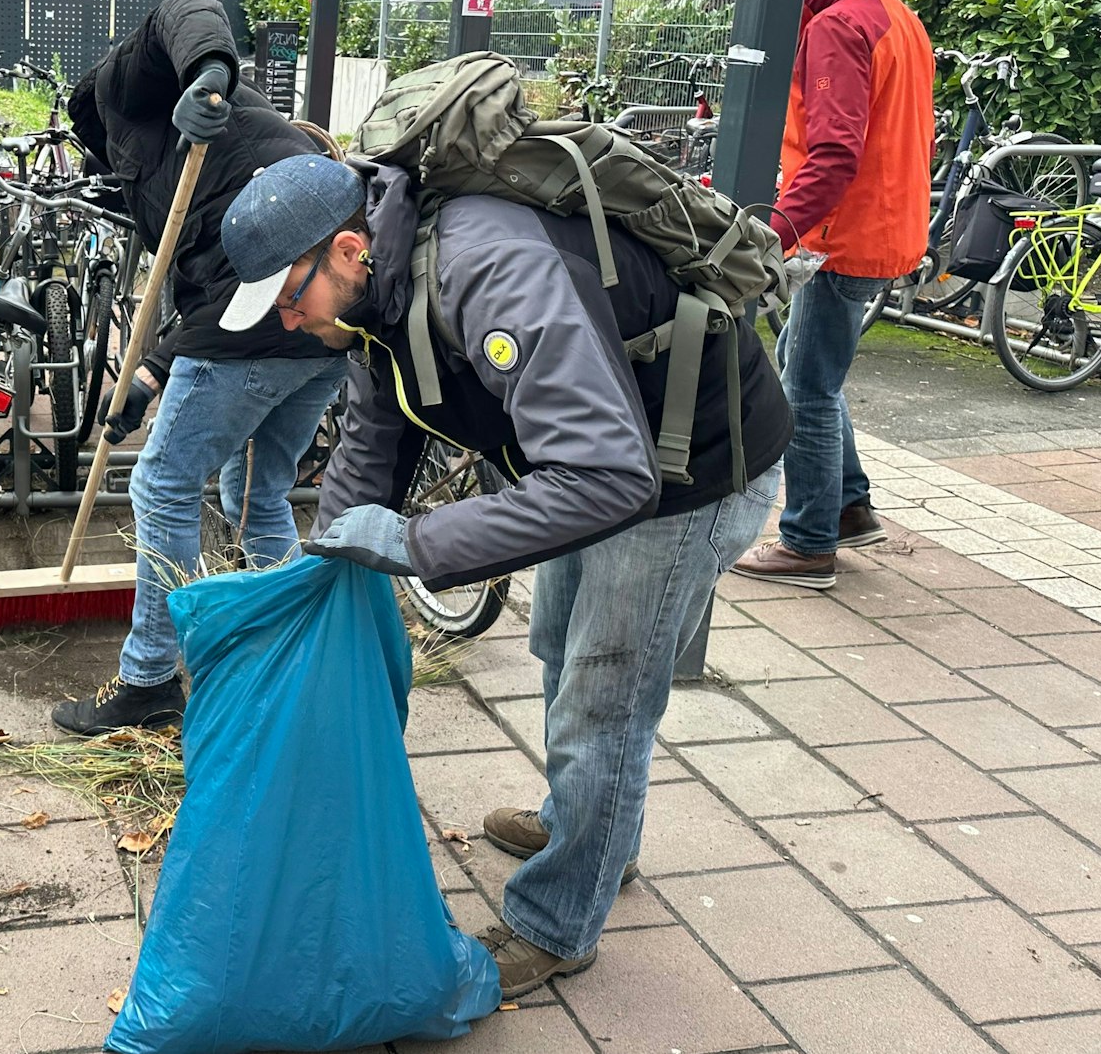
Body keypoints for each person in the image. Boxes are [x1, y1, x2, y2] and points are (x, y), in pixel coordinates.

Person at [219, 153, 790, 998]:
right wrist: (323, 558)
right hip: (601, 458)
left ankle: (558, 922)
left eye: (289, 301)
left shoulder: (491, 272)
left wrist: (418, 544)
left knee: (604, 699)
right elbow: (379, 427)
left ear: (344, 250)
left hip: (689, 470)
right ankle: (591, 831)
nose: (289, 324)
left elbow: (608, 479)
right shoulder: (381, 281)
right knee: (561, 647)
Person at [49, 0, 347, 735]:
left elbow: (185, 7)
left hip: (288, 299)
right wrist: (151, 368)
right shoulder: (163, 171)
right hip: (330, 317)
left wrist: (208, 72)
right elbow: (206, 280)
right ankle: (288, 647)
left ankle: (150, 677)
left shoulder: (119, 90)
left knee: (164, 481)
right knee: (259, 486)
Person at [732, 0, 933, 590]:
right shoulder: (895, 15)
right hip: (883, 221)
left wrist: (776, 235)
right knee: (807, 364)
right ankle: (847, 506)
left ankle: (809, 541)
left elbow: (835, 153)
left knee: (808, 391)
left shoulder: (838, 25)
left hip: (837, 236)